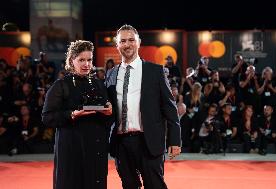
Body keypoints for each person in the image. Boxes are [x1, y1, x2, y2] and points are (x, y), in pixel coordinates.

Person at [106, 24, 181, 189]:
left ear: (138, 42)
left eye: (131, 40)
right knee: (129, 186)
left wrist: (175, 140)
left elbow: (170, 109)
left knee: (155, 185)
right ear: (117, 45)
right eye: (123, 41)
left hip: (149, 142)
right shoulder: (111, 74)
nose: (127, 44)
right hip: (121, 144)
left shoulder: (155, 71)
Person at [42, 40, 112, 189]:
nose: (86, 64)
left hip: (96, 148)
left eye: (89, 60)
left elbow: (108, 117)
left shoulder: (99, 84)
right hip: (72, 147)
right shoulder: (61, 85)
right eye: (81, 60)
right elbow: (47, 117)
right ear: (71, 60)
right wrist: (72, 114)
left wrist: (109, 112)